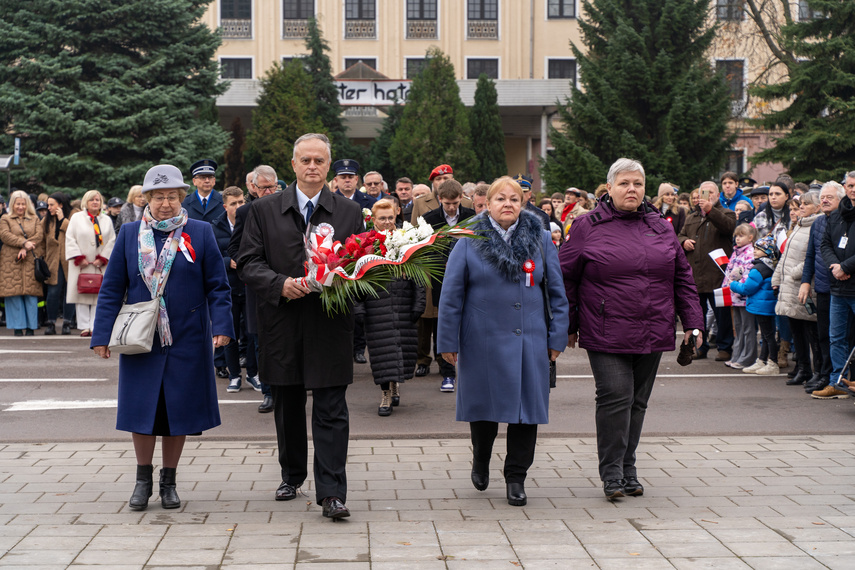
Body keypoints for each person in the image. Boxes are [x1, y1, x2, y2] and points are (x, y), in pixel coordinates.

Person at [91, 164, 233, 511]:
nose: (165, 203)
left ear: (181, 197)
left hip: (187, 336)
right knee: (143, 411)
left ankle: (169, 482)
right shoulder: (128, 234)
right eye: (158, 197)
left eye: (172, 196)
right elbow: (112, 289)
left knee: (177, 412)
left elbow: (218, 285)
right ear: (146, 199)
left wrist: (222, 327)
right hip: (141, 338)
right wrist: (102, 334)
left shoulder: (199, 232)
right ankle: (143, 480)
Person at [559, 158, 703, 500]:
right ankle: (612, 474)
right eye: (624, 183)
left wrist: (693, 323)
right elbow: (566, 277)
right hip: (605, 328)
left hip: (653, 327)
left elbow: (682, 276)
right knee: (615, 397)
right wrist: (567, 324)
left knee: (637, 401)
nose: (632, 189)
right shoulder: (586, 226)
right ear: (609, 188)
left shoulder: (660, 225)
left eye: (637, 184)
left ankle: (628, 468)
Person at [237, 133, 363, 520]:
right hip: (282, 321)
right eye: (305, 160)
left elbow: (363, 262)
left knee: (330, 408)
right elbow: (248, 262)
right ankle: (291, 475)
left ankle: (331, 492)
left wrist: (348, 280)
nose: (312, 167)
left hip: (329, 323)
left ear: (329, 166)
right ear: (292, 165)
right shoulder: (264, 209)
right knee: (288, 406)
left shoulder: (348, 212)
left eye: (319, 161)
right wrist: (280, 285)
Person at [437, 176, 569, 507]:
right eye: (500, 199)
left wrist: (557, 336)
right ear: (488, 204)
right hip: (480, 339)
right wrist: (447, 341)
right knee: (484, 410)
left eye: (514, 198)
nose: (507, 203)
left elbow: (556, 291)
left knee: (527, 413)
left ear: (522, 203)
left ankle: (516, 476)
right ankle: (481, 458)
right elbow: (451, 296)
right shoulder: (467, 240)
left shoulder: (539, 239)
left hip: (530, 339)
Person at [354, 199, 425, 416]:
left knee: (402, 350)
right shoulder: (363, 243)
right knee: (381, 353)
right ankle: (385, 394)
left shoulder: (408, 240)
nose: (386, 222)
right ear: (373, 219)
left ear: (396, 217)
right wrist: (358, 308)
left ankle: (395, 385)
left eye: (390, 218)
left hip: (403, 303)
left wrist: (419, 302)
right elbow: (354, 277)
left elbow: (419, 274)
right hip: (376, 306)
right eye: (382, 218)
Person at [228, 165, 280, 413]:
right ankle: (268, 392)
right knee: (260, 340)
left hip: (287, 283)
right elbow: (234, 247)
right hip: (257, 287)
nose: (269, 191)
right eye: (264, 187)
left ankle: (290, 388)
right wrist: (247, 267)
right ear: (254, 188)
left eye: (273, 187)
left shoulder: (287, 207)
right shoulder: (246, 211)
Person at [422, 180, 476, 392]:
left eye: (455, 202)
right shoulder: (429, 219)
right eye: (447, 204)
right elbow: (423, 248)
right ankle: (447, 373)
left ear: (461, 197)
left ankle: (470, 371)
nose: (452, 207)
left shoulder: (472, 217)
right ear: (439, 200)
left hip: (470, 278)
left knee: (470, 324)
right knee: (443, 324)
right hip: (440, 278)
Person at [677, 181, 736, 361]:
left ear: (717, 195)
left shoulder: (726, 213)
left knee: (722, 315)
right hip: (696, 274)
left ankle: (725, 346)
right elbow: (680, 235)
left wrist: (711, 210)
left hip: (717, 275)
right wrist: (683, 242)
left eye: (710, 192)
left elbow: (728, 227)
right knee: (697, 316)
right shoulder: (692, 216)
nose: (706, 196)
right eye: (704, 192)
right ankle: (700, 348)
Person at [212, 186, 261, 394]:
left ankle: (252, 373)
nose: (239, 206)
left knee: (252, 333)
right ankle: (234, 375)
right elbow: (211, 257)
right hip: (228, 288)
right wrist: (227, 262)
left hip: (249, 286)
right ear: (225, 206)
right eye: (234, 203)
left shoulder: (252, 222)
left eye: (241, 202)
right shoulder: (215, 227)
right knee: (230, 334)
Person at [773, 191, 822, 386]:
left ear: (817, 208)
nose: (800, 207)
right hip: (790, 286)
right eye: (800, 204)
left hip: (804, 286)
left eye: (806, 204)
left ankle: (818, 371)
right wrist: (778, 276)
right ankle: (803, 369)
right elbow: (785, 257)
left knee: (811, 332)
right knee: (796, 330)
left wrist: (793, 273)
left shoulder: (815, 227)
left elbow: (813, 258)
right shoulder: (799, 226)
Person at [799, 182, 843, 394]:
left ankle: (839, 376)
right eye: (822, 197)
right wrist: (806, 282)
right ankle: (824, 374)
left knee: (840, 336)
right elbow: (810, 255)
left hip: (842, 287)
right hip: (823, 288)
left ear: (841, 200)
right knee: (823, 334)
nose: (824, 200)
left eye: (830, 197)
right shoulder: (818, 223)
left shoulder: (845, 222)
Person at [818, 173, 855, 399]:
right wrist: (836, 266)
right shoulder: (837, 215)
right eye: (850, 185)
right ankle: (837, 382)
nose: (853, 189)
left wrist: (846, 267)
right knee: (836, 338)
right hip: (838, 288)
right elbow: (825, 244)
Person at [65, 190, 117, 337]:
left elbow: (112, 240)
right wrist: (78, 257)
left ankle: (94, 325)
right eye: (92, 200)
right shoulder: (77, 218)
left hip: (99, 264)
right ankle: (83, 326)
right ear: (86, 202)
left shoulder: (106, 219)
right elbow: (70, 238)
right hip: (82, 263)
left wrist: (103, 257)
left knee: (98, 294)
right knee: (81, 293)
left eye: (98, 200)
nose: (95, 202)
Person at [731, 236, 781, 375]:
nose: (755, 251)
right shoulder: (770, 265)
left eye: (759, 249)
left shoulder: (758, 268)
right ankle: (762, 360)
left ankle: (772, 363)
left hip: (761, 306)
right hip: (767, 305)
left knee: (768, 335)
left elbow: (747, 288)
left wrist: (733, 284)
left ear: (766, 251)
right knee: (766, 335)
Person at [0, 190, 45, 335]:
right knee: (14, 294)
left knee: (31, 294)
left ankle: (31, 327)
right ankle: (18, 328)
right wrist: (23, 243)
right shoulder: (5, 219)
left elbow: (39, 235)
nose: (20, 207)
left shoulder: (34, 218)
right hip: (11, 260)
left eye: (23, 204)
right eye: (18, 204)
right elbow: (5, 235)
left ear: (27, 205)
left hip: (31, 259)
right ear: (13, 204)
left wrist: (27, 246)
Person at [722, 223, 759, 369]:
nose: (738, 238)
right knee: (738, 327)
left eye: (741, 235)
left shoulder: (750, 253)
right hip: (734, 296)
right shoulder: (736, 252)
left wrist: (737, 288)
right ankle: (737, 355)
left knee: (748, 327)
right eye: (736, 235)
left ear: (750, 237)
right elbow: (729, 271)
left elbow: (747, 276)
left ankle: (748, 357)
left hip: (744, 296)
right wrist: (726, 287)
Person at [41, 192, 74, 335]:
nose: (48, 208)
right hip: (53, 262)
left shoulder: (72, 216)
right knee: (53, 293)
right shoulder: (46, 220)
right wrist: (43, 257)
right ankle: (51, 322)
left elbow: (75, 233)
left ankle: (67, 322)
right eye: (48, 205)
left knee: (69, 293)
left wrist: (62, 220)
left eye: (51, 204)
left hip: (70, 261)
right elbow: (41, 241)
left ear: (60, 205)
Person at [181, 158, 222, 224]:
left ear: (214, 180)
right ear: (194, 181)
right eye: (203, 177)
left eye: (210, 177)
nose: (207, 181)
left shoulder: (223, 201)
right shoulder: (184, 203)